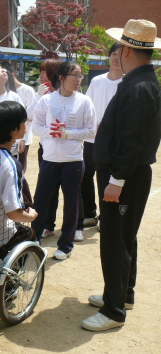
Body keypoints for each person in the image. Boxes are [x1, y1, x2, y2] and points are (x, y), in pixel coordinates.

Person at [82, 19, 161, 331]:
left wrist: (116, 181)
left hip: (124, 177)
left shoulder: (139, 87)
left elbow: (130, 140)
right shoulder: (141, 81)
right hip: (126, 175)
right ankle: (121, 294)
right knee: (123, 237)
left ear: (127, 50)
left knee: (115, 240)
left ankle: (114, 311)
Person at [31, 62, 96, 260]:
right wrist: (50, 131)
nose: (78, 80)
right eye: (74, 75)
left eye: (80, 76)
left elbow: (91, 131)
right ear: (61, 77)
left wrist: (67, 133)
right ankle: (33, 241)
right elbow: (35, 127)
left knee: (71, 203)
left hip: (73, 160)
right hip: (49, 158)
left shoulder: (84, 102)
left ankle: (66, 245)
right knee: (40, 200)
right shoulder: (46, 100)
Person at [0, 101, 38, 256]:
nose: (26, 124)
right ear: (14, 129)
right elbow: (14, 214)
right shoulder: (9, 164)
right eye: (24, 121)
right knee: (28, 233)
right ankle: (10, 279)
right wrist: (31, 216)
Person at [81, 43, 123, 227]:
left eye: (120, 54)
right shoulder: (97, 81)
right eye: (113, 53)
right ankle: (90, 213)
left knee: (106, 180)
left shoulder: (128, 83)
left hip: (113, 143)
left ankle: (106, 218)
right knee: (85, 177)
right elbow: (87, 107)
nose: (116, 57)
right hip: (91, 139)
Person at [1, 61, 35, 207]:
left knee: (18, 172)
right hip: (1, 141)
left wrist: (23, 138)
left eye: (5, 72)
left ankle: (26, 205)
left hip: (19, 139)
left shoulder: (22, 92)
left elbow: (27, 117)